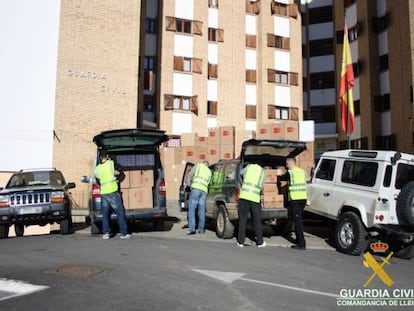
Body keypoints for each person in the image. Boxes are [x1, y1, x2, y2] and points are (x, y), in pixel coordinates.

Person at [94, 150, 131, 239]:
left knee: (105, 213)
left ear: (100, 158)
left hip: (103, 193)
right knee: (120, 212)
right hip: (112, 191)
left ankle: (106, 233)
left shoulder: (97, 169)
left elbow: (99, 178)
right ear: (107, 156)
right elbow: (117, 171)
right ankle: (123, 233)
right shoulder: (110, 163)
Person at [237, 163, 266, 248]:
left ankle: (240, 242)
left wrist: (243, 183)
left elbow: (240, 174)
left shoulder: (248, 167)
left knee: (242, 220)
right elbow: (261, 186)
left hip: (244, 196)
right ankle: (260, 242)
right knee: (257, 221)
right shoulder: (262, 171)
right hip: (254, 198)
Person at [281, 157, 307, 250]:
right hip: (303, 199)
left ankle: (301, 244)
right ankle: (299, 240)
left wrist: (275, 173)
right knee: (298, 220)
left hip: (296, 199)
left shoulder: (290, 173)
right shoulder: (302, 171)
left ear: (292, 163)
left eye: (287, 163)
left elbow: (281, 177)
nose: (286, 165)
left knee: (298, 222)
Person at [186, 161, 212, 235]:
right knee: (202, 210)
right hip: (204, 191)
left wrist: (189, 185)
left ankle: (192, 229)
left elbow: (190, 175)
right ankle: (201, 229)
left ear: (203, 163)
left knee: (192, 209)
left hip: (196, 189)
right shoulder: (209, 171)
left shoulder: (198, 166)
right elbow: (209, 183)